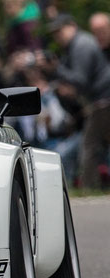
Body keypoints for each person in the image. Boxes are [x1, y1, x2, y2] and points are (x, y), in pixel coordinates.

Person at [41, 14, 110, 189]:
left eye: (60, 31)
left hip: (103, 101)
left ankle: (89, 187)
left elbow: (80, 80)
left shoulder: (81, 45)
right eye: (55, 33)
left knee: (89, 146)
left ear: (71, 26)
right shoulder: (75, 46)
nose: (58, 36)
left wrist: (57, 69)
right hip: (100, 100)